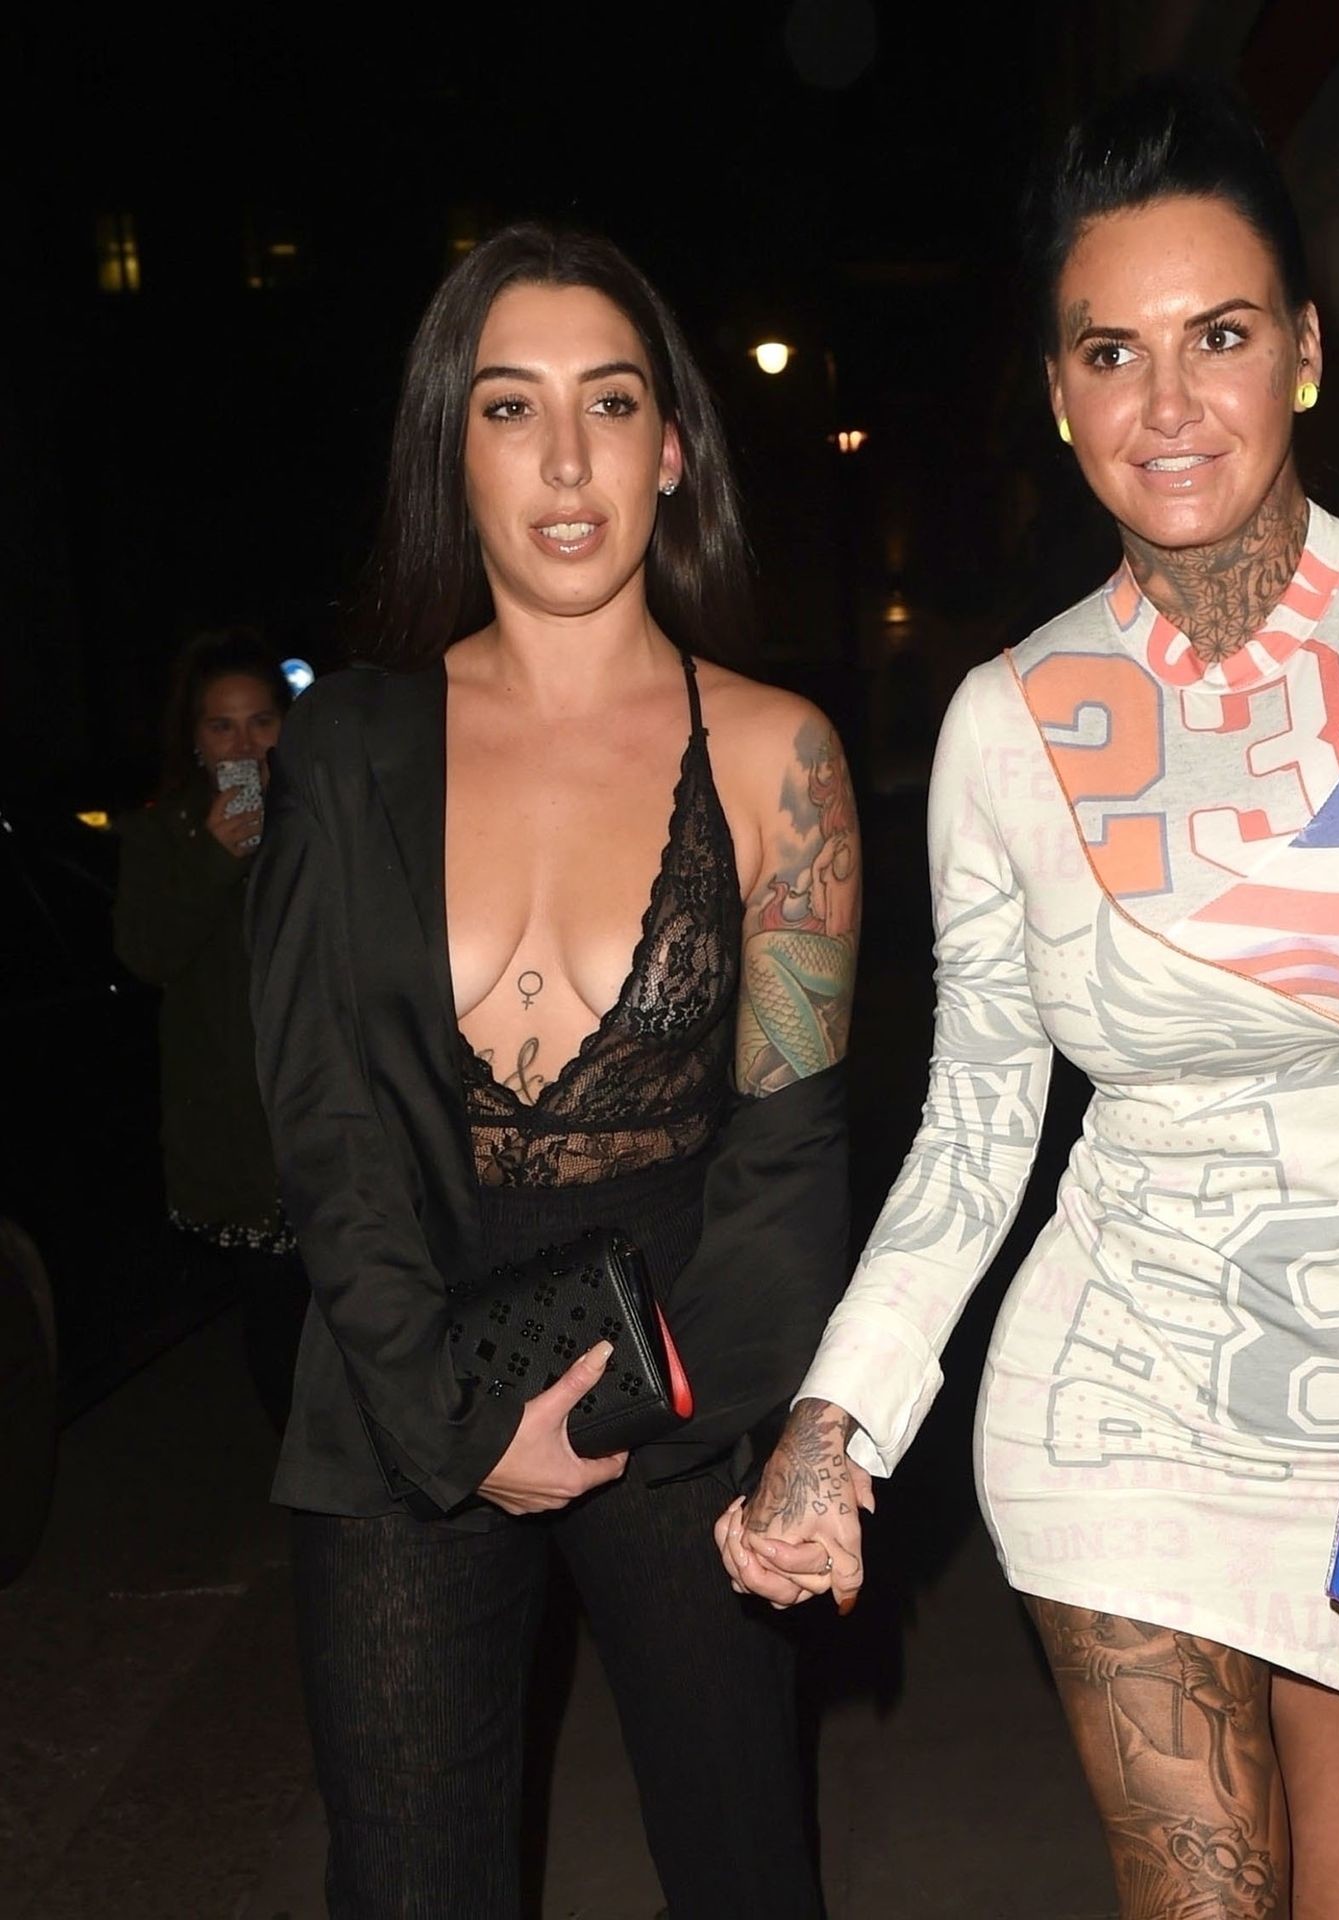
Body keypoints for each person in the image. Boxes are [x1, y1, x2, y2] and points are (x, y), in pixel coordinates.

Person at [721, 79, 1339, 1920]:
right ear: (1058, 392)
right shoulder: (1009, 721)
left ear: (1306, 352)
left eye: (1220, 336)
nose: (1167, 403)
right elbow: (974, 1127)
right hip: (1119, 1415)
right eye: (1112, 352)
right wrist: (833, 1425)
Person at [246, 224, 857, 1919]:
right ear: (451, 452)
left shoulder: (777, 753)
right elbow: (325, 1122)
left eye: (611, 401)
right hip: (397, 1379)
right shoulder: (344, 748)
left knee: (742, 1871)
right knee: (408, 1883)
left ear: (672, 449)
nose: (567, 459)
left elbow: (789, 1162)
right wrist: (454, 1420)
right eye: (510, 407)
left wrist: (641, 1407)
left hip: (680, 1372)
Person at [114, 630, 308, 1432]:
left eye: (261, 721)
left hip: (334, 1111)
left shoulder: (324, 818)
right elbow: (145, 953)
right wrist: (214, 858)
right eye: (221, 726)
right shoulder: (165, 835)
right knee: (278, 1323)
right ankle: (311, 1481)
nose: (243, 745)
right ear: (195, 740)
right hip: (238, 1128)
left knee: (365, 1317)